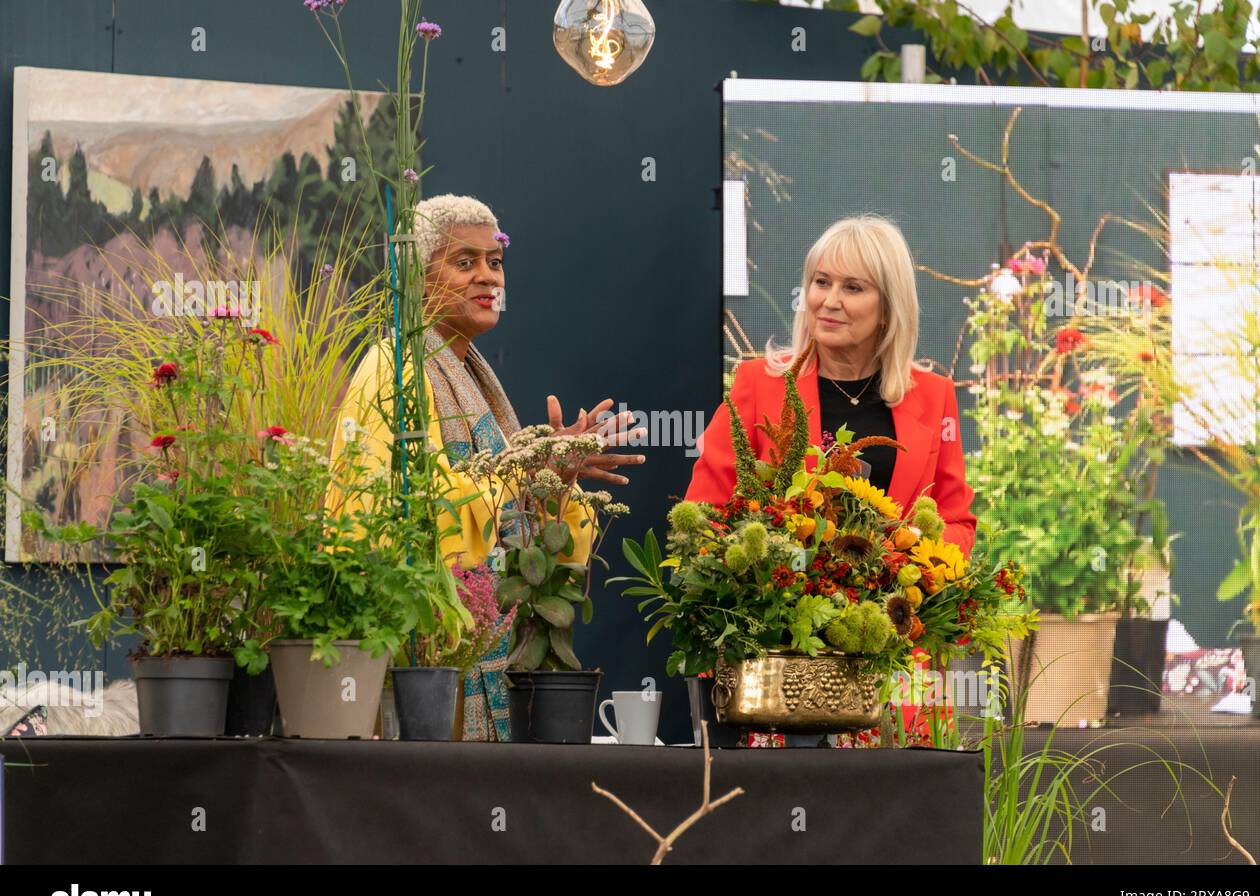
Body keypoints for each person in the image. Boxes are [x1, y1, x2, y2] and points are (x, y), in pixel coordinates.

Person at [328, 194, 645, 740]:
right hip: (417, 662)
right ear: (420, 279)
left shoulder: (471, 378)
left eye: (495, 263)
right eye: (464, 261)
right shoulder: (395, 366)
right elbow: (401, 511)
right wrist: (527, 469)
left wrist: (555, 481)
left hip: (480, 650)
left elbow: (527, 542)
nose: (488, 277)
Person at [685, 213, 977, 745]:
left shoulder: (933, 396)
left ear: (889, 307)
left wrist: (906, 563)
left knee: (885, 820)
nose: (830, 300)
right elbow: (705, 514)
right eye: (821, 282)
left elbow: (955, 521)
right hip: (777, 657)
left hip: (889, 656)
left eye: (853, 287)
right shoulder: (758, 384)